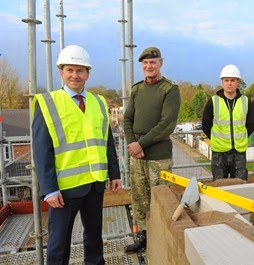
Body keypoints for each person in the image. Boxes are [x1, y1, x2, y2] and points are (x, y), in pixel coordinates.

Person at [32, 45, 122, 265]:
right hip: (64, 189)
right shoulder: (47, 103)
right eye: (70, 70)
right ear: (61, 72)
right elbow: (41, 150)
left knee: (94, 238)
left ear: (88, 74)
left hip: (95, 183)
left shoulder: (99, 102)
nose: (75, 75)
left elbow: (107, 140)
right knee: (58, 243)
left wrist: (115, 173)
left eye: (80, 70)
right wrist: (49, 189)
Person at [123, 47, 181, 253]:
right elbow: (127, 119)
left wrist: (141, 144)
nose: (149, 66)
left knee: (162, 199)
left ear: (160, 64)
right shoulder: (137, 90)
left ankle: (164, 239)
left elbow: (167, 124)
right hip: (137, 156)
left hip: (158, 157)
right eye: (145, 63)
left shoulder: (169, 89)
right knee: (139, 199)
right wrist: (132, 144)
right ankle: (143, 238)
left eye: (153, 63)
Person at [202, 64, 254, 181]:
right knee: (219, 185)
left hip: (238, 152)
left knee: (239, 186)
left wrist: (241, 138)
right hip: (219, 153)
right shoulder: (213, 101)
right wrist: (216, 139)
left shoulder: (245, 101)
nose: (229, 83)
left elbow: (251, 123)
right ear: (222, 82)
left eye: (233, 80)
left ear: (238, 82)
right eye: (226, 80)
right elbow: (206, 124)